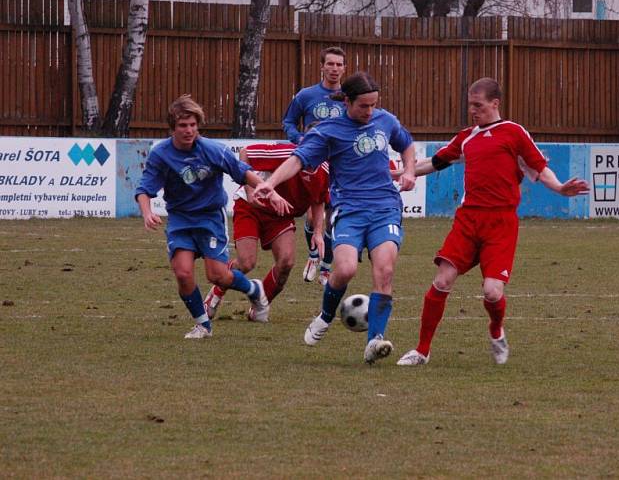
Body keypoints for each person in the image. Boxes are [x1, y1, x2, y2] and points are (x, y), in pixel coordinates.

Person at [395, 78, 590, 366]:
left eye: (478, 105)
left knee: (491, 291)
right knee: (442, 280)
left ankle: (496, 329)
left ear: (495, 103)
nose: (473, 111)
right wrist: (401, 174)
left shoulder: (513, 132)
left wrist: (560, 188)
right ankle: (422, 351)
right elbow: (433, 163)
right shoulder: (466, 137)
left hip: (501, 224)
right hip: (468, 220)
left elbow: (539, 167)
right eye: (470, 105)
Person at [255, 71, 417, 365]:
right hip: (349, 210)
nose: (370, 112)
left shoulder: (385, 120)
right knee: (343, 271)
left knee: (385, 271)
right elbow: (298, 159)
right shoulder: (328, 131)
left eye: (373, 105)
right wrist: (271, 182)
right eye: (363, 106)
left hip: (385, 208)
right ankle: (326, 316)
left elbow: (406, 144)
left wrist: (408, 170)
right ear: (347, 102)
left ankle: (374, 341)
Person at [135, 94, 271, 339]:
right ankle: (203, 325)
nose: (189, 130)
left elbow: (243, 172)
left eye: (193, 125)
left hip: (210, 218)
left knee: (217, 275)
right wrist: (147, 213)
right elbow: (144, 189)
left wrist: (268, 190)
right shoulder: (161, 154)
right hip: (179, 219)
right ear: (173, 128)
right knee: (183, 272)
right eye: (183, 125)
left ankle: (253, 288)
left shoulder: (213, 150)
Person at [203, 142, 329, 318]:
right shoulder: (286, 152)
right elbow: (245, 153)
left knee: (286, 262)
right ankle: (215, 294)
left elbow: (319, 199)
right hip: (251, 206)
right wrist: (248, 190)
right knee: (247, 262)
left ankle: (260, 306)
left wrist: (317, 232)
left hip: (281, 214)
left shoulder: (326, 169)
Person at [282, 46, 346, 286]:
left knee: (332, 218)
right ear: (322, 66)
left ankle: (327, 267)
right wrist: (299, 138)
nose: (334, 69)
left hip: (339, 164)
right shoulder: (306, 95)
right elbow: (288, 121)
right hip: (313, 162)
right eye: (330, 64)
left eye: (339, 64)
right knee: (311, 217)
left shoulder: (348, 97)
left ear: (344, 68)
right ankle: (313, 256)